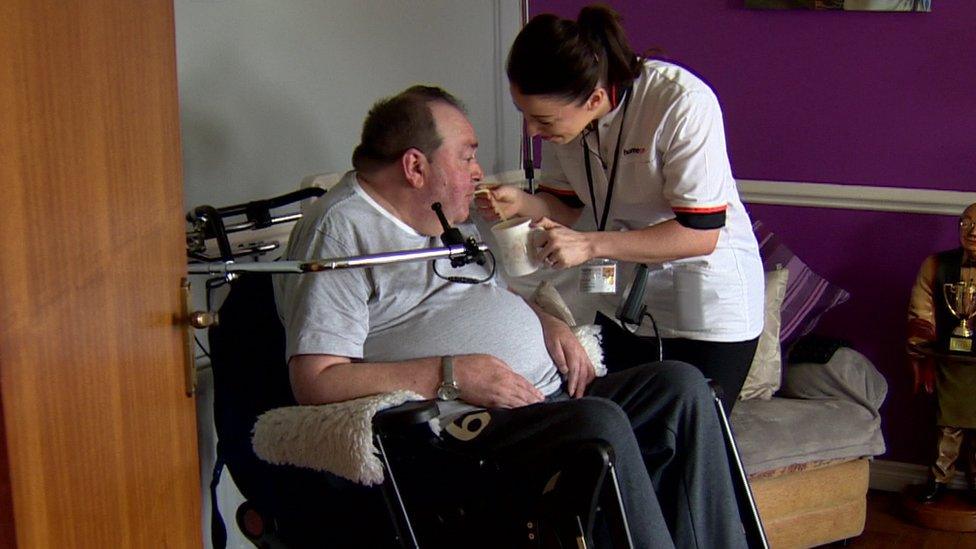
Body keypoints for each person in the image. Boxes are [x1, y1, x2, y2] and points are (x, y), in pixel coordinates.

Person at [274, 85, 748, 548]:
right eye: (467, 156)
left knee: (681, 388)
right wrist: (450, 374)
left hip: (546, 395)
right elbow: (315, 380)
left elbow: (488, 295)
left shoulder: (442, 216)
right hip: (463, 427)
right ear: (415, 166)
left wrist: (548, 322)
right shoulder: (338, 233)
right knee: (596, 423)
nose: (478, 172)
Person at [476, 5, 764, 411]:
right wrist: (520, 202)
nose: (532, 132)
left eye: (542, 119)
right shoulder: (569, 124)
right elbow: (564, 206)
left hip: (705, 302)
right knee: (625, 432)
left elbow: (700, 235)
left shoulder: (680, 102)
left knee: (691, 440)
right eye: (524, 115)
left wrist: (591, 246)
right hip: (623, 299)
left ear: (594, 98)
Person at [907, 202, 976, 504]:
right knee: (947, 426)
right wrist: (923, 350)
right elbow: (920, 312)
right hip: (949, 362)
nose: (972, 232)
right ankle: (938, 478)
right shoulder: (935, 265)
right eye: (965, 224)